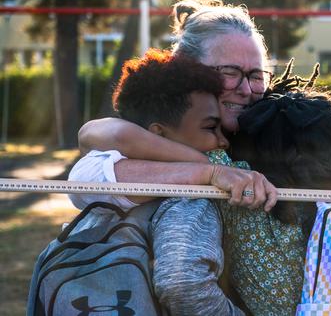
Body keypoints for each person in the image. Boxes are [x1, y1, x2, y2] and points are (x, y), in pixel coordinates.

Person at [70, 48, 248, 315]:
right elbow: (183, 284)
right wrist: (206, 170)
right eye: (211, 128)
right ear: (158, 133)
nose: (223, 141)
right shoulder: (190, 194)